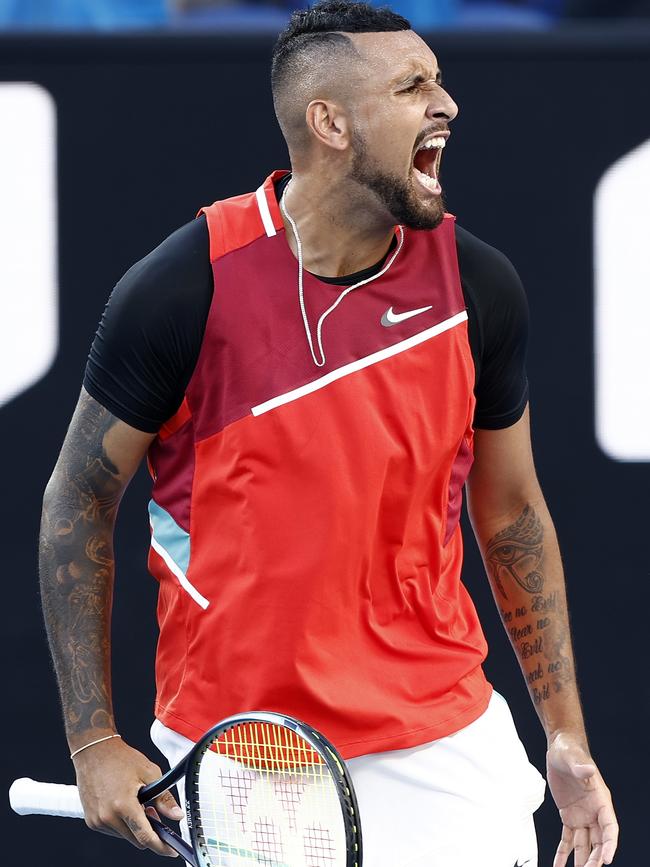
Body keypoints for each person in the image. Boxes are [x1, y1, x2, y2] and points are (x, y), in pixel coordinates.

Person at [38, 2, 618, 865]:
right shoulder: (182, 288)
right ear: (330, 121)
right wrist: (92, 743)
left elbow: (513, 514)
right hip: (243, 751)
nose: (447, 103)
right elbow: (79, 496)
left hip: (444, 740)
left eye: (440, 78)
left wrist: (564, 733)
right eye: (413, 84)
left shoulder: (478, 286)